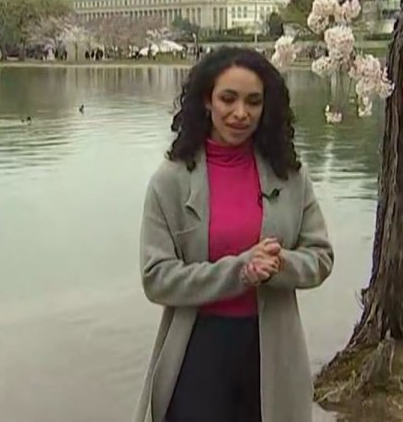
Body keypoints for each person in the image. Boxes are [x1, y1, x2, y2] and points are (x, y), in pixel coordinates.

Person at [132, 47, 334, 422]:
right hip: (197, 352)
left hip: (270, 348)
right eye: (228, 99)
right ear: (207, 100)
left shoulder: (289, 176)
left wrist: (280, 265)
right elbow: (156, 279)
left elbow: (320, 257)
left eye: (253, 102)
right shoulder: (169, 181)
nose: (240, 113)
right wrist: (240, 271)